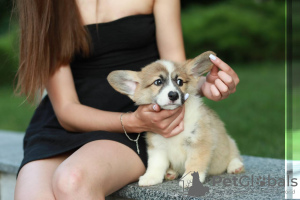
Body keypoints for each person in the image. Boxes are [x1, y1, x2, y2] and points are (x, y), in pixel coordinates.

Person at [14, 0, 239, 199]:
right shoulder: (43, 4)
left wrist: (203, 84)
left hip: (143, 120)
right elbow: (66, 110)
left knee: (72, 181)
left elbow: (176, 67)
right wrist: (133, 121)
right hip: (70, 123)